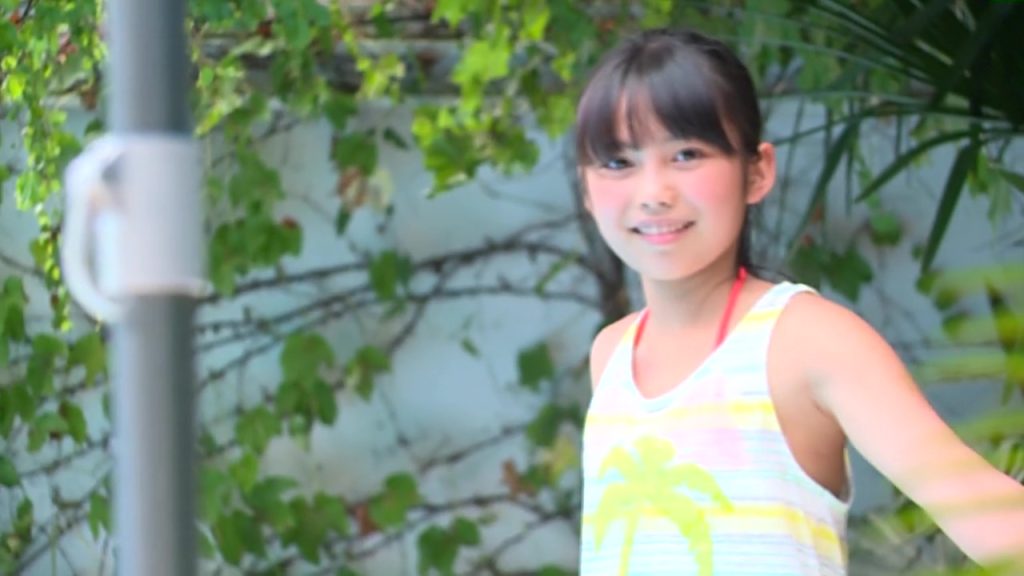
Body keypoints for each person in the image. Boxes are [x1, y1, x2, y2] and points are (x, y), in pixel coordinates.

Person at [575, 27, 1024, 575]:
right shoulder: (612, 354)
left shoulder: (806, 341)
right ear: (586, 188)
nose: (653, 193)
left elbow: (985, 511)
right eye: (618, 163)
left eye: (687, 154)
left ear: (757, 171)